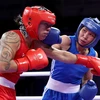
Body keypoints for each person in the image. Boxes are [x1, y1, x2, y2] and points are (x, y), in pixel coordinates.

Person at [33, 17, 100, 100]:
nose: (85, 36)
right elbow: (49, 50)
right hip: (53, 92)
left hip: (75, 96)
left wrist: (88, 88)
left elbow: (87, 78)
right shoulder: (66, 41)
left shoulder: (93, 54)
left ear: (95, 39)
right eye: (84, 30)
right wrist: (47, 41)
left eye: (91, 34)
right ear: (79, 29)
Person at [0, 6, 56, 100]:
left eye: (50, 26)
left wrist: (85, 60)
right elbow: (1, 66)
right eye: (45, 24)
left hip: (9, 90)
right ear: (32, 22)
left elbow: (61, 55)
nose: (49, 29)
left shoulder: (34, 43)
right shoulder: (12, 37)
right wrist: (27, 62)